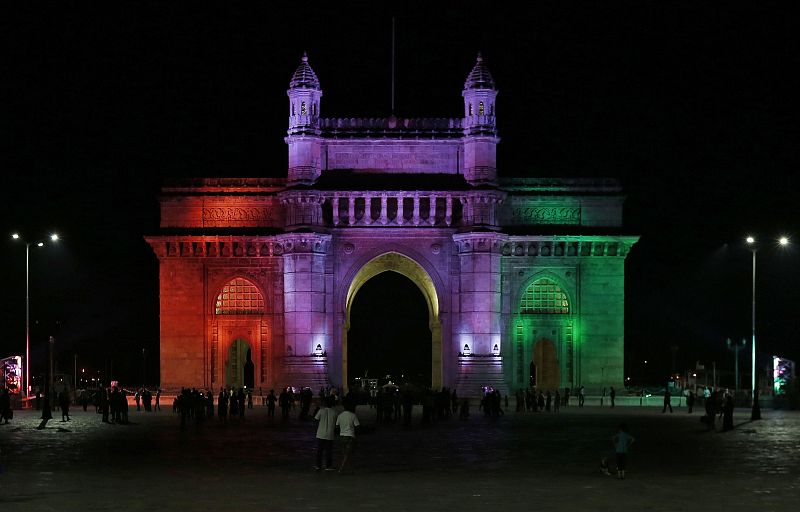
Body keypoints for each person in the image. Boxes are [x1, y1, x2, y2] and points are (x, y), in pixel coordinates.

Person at [336, 399, 360, 474]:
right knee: (348, 454)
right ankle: (341, 469)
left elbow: (337, 426)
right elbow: (357, 426)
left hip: (342, 436)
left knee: (345, 454)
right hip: (350, 437)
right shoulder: (353, 415)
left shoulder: (340, 415)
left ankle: (350, 469)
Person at [313, 396, 338, 471]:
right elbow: (336, 424)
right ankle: (328, 465)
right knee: (329, 451)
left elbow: (316, 419)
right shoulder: (335, 413)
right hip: (329, 434)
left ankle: (318, 465)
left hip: (320, 433)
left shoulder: (321, 411)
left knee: (319, 450)